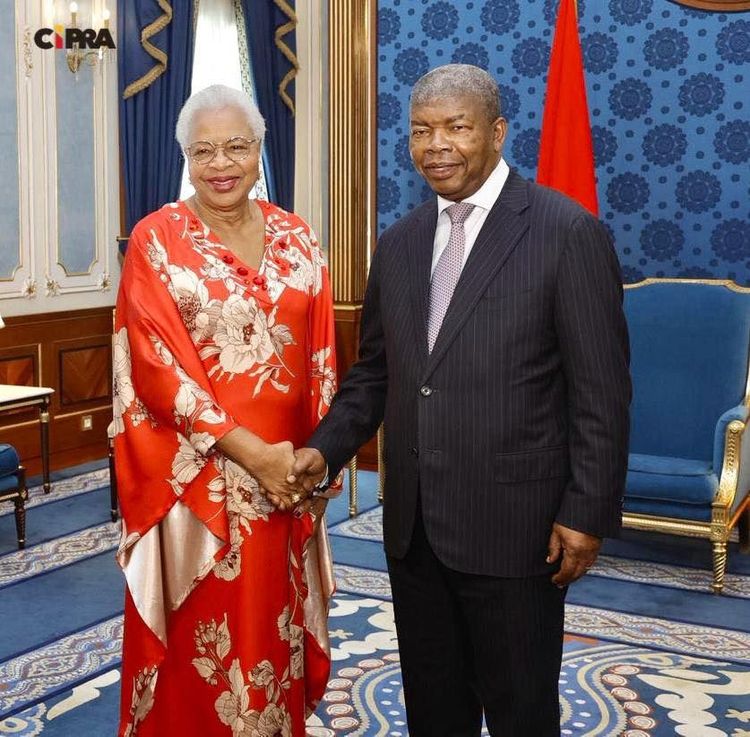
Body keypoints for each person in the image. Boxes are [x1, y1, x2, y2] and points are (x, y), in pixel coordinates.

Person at [292, 64, 631, 737]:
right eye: (421, 131)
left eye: (455, 127)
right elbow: (376, 375)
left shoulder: (567, 232)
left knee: (520, 711)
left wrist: (585, 512)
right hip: (415, 530)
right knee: (435, 708)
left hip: (517, 529)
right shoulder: (399, 242)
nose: (436, 146)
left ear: (497, 132)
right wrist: (321, 452)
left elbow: (602, 391)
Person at [113, 84, 339, 736]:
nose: (221, 164)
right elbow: (155, 369)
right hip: (198, 487)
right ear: (184, 156)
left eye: (236, 146)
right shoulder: (157, 239)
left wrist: (314, 459)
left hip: (287, 481)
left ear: (259, 148)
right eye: (203, 150)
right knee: (203, 646)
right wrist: (253, 455)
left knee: (272, 629)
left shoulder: (298, 236)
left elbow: (323, 357)